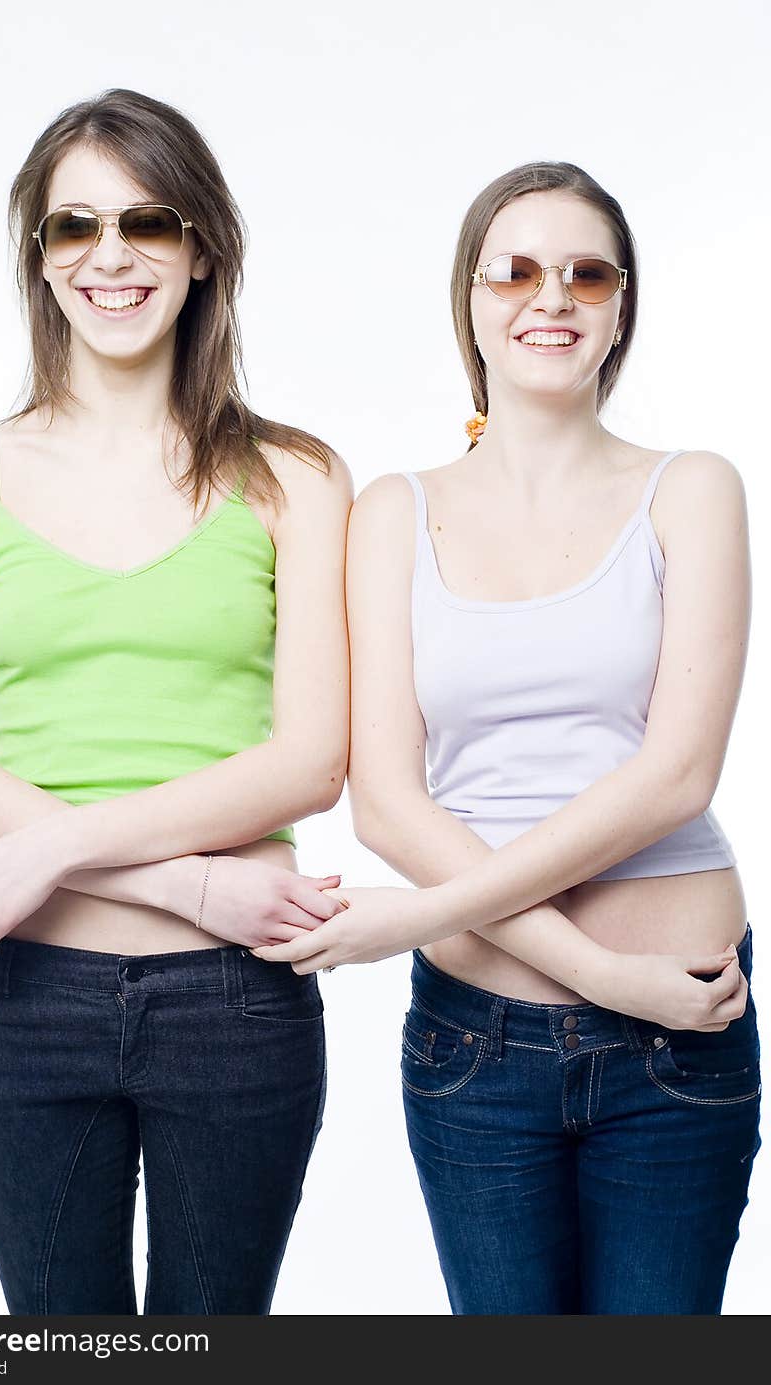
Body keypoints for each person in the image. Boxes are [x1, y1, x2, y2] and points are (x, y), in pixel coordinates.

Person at [254, 162, 760, 1314]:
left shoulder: (693, 490)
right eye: (516, 270)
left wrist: (415, 918)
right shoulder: (393, 510)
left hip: (682, 1033)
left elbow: (676, 774)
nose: (553, 296)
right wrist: (600, 975)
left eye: (587, 272)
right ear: (470, 300)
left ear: (621, 306)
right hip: (478, 1049)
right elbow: (385, 800)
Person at [0, 87, 352, 1315]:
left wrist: (46, 844)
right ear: (39, 261)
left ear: (200, 248)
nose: (110, 255)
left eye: (147, 221)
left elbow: (312, 760)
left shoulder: (297, 478)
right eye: (72, 227)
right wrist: (190, 879)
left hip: (234, 1001)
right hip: (28, 998)